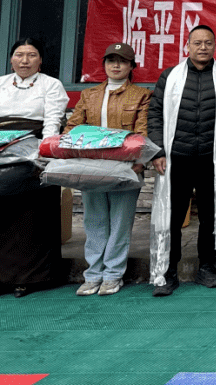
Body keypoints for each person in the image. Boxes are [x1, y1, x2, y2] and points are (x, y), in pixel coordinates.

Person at [148, 25, 216, 297]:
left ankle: (207, 267)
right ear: (186, 46)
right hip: (177, 157)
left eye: (208, 43)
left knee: (210, 215)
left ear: (215, 46)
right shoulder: (170, 76)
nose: (203, 47)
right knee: (172, 216)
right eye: (197, 43)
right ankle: (168, 269)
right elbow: (154, 114)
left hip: (213, 158)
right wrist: (157, 151)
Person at [65, 42, 152, 296]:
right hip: (92, 168)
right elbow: (71, 128)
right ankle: (92, 275)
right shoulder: (89, 95)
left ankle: (113, 275)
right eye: (111, 60)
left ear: (131, 66)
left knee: (120, 222)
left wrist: (139, 161)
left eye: (122, 61)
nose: (116, 65)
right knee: (95, 220)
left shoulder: (141, 95)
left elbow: (143, 131)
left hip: (126, 167)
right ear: (103, 65)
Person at [0, 38, 68, 298]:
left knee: (30, 218)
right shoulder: (1, 84)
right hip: (1, 151)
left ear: (40, 60)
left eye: (31, 55)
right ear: (11, 58)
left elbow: (52, 121)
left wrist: (43, 153)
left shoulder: (51, 85)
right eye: (19, 54)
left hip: (34, 152)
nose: (24, 60)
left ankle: (32, 278)